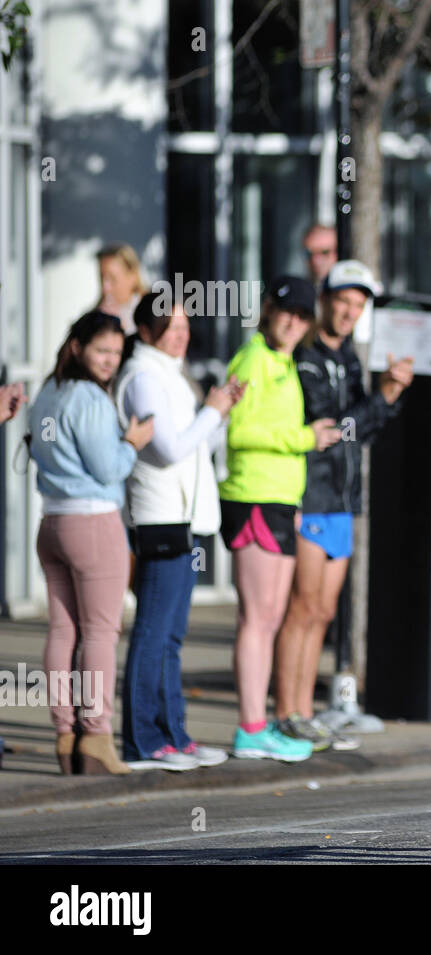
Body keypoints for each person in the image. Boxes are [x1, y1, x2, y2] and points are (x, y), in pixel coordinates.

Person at [273, 260, 413, 750]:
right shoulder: (304, 357)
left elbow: (361, 434)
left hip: (342, 501)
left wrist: (388, 398)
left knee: (324, 611)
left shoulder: (349, 357)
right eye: (343, 301)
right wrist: (381, 397)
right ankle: (285, 711)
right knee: (302, 607)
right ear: (325, 300)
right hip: (310, 495)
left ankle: (306, 712)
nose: (350, 311)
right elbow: (329, 431)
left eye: (359, 305)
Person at [116, 292, 244, 770]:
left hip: (186, 518)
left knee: (170, 635)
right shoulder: (145, 377)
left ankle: (174, 735)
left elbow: (197, 444)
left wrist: (221, 409)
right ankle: (143, 742)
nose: (181, 334)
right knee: (153, 631)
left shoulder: (169, 372)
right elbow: (168, 449)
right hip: (160, 517)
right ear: (147, 331)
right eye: (171, 327)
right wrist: (211, 410)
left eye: (185, 326)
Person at [220, 277, 342, 762]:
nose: (294, 322)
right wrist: (302, 438)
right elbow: (240, 427)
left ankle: (260, 723)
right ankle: (250, 728)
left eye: (303, 315)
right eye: (286, 312)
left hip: (278, 501)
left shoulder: (282, 361)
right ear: (268, 311)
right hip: (253, 498)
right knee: (257, 618)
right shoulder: (252, 359)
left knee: (270, 618)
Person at [28, 310, 154, 774]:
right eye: (102, 350)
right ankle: (97, 737)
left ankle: (66, 736)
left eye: (117, 354)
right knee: (100, 631)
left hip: (52, 521)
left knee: (63, 631)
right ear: (77, 346)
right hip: (94, 522)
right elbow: (109, 469)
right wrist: (133, 441)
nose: (109, 361)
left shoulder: (47, 392)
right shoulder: (91, 400)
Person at [96, 243, 149, 334]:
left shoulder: (151, 312)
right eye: (102, 278)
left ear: (132, 276)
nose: (105, 288)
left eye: (112, 279)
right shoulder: (96, 314)